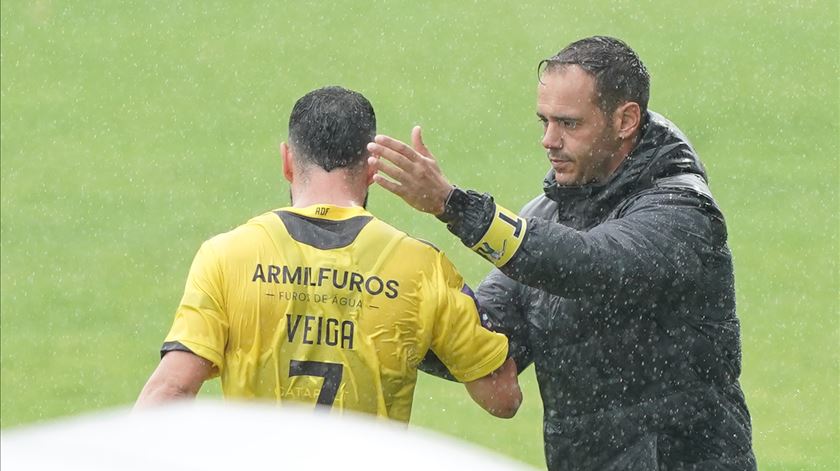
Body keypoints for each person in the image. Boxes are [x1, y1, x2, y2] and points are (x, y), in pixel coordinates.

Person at [367, 37, 756, 469]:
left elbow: (593, 265)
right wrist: (378, 304)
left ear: (626, 119)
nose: (549, 140)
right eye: (544, 121)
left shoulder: (682, 212)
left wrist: (455, 207)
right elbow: (488, 340)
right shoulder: (549, 215)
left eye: (569, 124)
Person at [135, 86, 522, 422]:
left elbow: (169, 392)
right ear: (372, 168)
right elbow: (503, 399)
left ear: (287, 161)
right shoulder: (420, 267)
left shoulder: (225, 256)